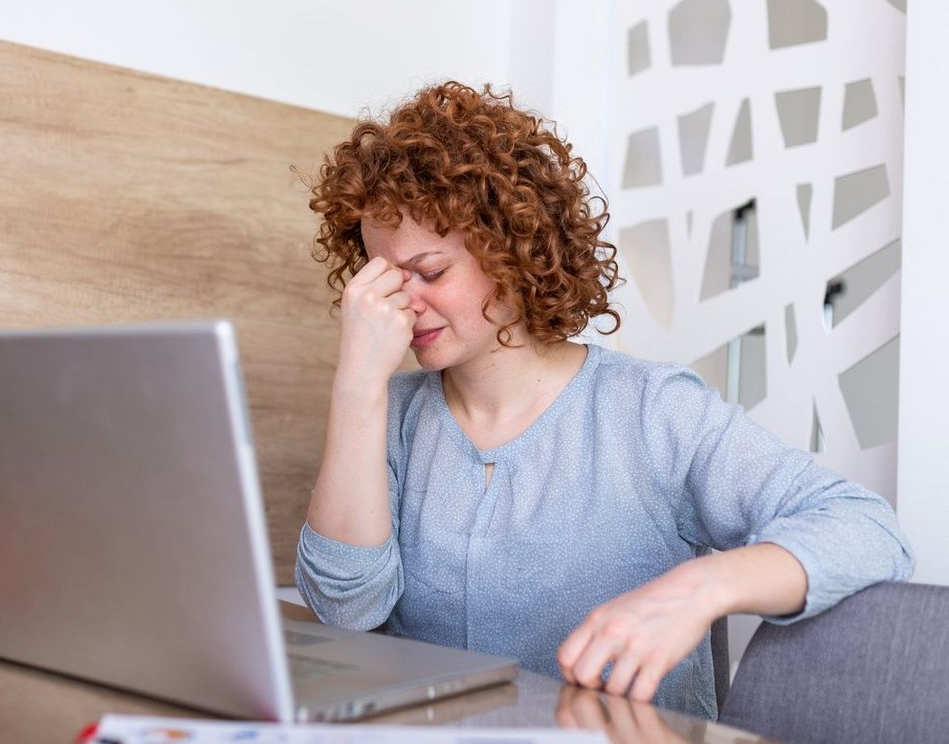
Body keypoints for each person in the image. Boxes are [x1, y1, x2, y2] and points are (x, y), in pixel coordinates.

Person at [292, 81, 914, 720]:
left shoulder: (650, 411)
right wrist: (357, 384)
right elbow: (346, 608)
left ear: (512, 252)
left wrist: (703, 588)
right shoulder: (390, 413)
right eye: (383, 279)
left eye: (431, 272)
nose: (403, 303)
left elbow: (868, 530)